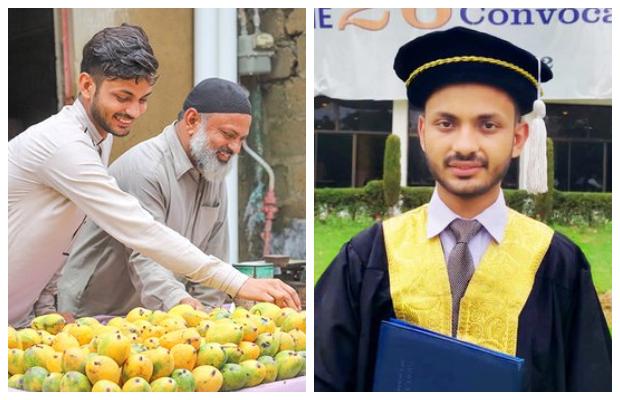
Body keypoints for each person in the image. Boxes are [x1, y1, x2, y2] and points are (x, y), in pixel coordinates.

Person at [314, 27, 611, 391]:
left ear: (518, 138)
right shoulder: (368, 257)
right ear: (423, 133)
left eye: (488, 125)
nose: (465, 145)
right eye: (446, 123)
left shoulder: (557, 263)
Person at [8, 24, 299, 327]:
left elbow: (59, 234)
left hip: (21, 320)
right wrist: (237, 283)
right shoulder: (64, 145)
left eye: (143, 98)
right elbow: (140, 231)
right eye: (123, 97)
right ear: (86, 85)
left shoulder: (100, 137)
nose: (134, 111)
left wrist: (43, 312)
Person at [56, 78, 261, 316]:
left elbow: (213, 256)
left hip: (158, 319)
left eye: (241, 139)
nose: (235, 148)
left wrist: (208, 317)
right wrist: (181, 303)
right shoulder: (146, 168)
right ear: (192, 120)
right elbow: (146, 255)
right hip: (94, 315)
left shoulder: (212, 169)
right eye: (228, 134)